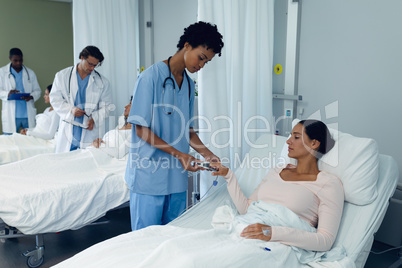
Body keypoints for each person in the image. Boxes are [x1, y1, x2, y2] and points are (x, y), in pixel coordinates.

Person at [125, 21, 224, 231]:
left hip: (176, 176)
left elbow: (187, 129)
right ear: (187, 45)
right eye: (201, 58)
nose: (202, 66)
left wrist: (208, 154)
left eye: (207, 62)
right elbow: (141, 129)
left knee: (172, 235)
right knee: (145, 239)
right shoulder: (149, 78)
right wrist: (180, 155)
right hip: (149, 174)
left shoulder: (188, 85)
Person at [211, 120, 344, 251]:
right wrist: (228, 175)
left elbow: (325, 241)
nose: (288, 141)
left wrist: (271, 233)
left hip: (276, 245)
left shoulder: (328, 183)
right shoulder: (277, 170)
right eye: (290, 135)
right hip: (248, 229)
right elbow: (247, 210)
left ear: (314, 143)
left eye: (296, 137)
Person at [50, 45, 113, 153]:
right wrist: (71, 109)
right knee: (64, 163)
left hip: (90, 130)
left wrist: (95, 118)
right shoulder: (62, 76)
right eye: (90, 64)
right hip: (69, 127)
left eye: (95, 65)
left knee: (86, 164)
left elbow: (107, 107)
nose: (92, 68)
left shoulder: (103, 82)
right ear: (82, 57)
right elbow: (55, 99)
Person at [0, 48, 41, 134]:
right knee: (9, 141)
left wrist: (31, 96)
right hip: (11, 113)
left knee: (29, 140)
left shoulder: (30, 73)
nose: (18, 63)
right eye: (15, 60)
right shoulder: (2, 72)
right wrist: (8, 93)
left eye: (20, 60)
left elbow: (38, 90)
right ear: (10, 58)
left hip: (27, 113)